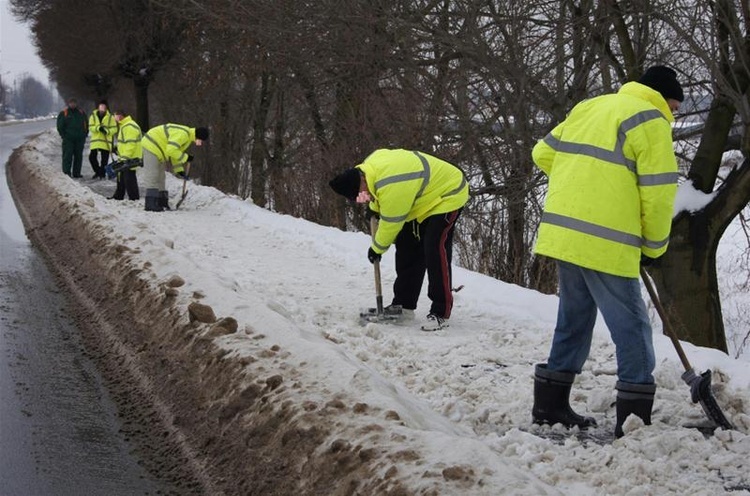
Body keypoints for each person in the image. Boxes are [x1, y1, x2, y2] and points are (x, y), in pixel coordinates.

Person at [530, 66, 682, 438]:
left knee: (574, 318)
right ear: (662, 97)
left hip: (565, 233)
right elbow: (659, 193)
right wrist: (655, 246)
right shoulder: (652, 120)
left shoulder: (591, 106)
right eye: (675, 106)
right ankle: (634, 422)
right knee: (631, 325)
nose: (674, 114)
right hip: (607, 241)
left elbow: (542, 154)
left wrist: (584, 180)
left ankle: (550, 405)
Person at [329, 149, 469, 331]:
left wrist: (377, 248)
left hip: (447, 193)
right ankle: (403, 306)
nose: (361, 199)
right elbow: (379, 193)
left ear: (361, 180)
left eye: (359, 195)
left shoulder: (392, 183)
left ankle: (440, 312)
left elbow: (391, 223)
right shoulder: (369, 167)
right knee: (407, 246)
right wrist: (374, 206)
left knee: (434, 248)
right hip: (420, 198)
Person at [140, 123, 209, 212]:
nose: (200, 143)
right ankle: (150, 204)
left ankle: (162, 202)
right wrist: (186, 157)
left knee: (161, 177)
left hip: (159, 150)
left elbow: (175, 154)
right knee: (153, 174)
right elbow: (171, 150)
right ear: (198, 137)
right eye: (201, 141)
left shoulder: (187, 137)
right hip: (151, 145)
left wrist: (179, 170)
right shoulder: (183, 134)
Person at [110, 109, 142, 201]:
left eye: (115, 116)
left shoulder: (129, 127)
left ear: (120, 116)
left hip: (130, 158)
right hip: (126, 157)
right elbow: (125, 142)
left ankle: (134, 198)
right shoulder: (125, 125)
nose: (114, 118)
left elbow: (130, 144)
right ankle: (118, 195)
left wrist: (125, 157)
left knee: (129, 178)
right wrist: (117, 148)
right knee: (122, 176)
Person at [56, 98, 88, 177]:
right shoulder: (64, 113)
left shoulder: (81, 113)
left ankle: (77, 173)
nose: (73, 104)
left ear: (76, 104)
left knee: (78, 157)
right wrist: (63, 135)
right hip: (68, 139)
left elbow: (86, 124)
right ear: (68, 104)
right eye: (71, 103)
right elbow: (60, 126)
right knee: (67, 156)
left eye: (74, 103)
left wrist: (84, 134)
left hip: (79, 139)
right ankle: (66, 173)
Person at [88, 99, 117, 179]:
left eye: (104, 106)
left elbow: (114, 129)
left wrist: (107, 131)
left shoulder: (111, 117)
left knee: (104, 160)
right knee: (92, 157)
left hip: (105, 141)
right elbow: (90, 127)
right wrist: (98, 128)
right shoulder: (93, 116)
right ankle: (98, 171)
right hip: (95, 141)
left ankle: (102, 174)